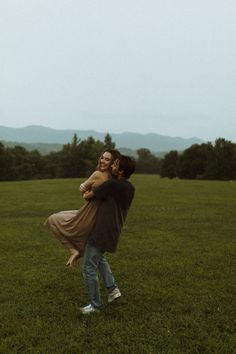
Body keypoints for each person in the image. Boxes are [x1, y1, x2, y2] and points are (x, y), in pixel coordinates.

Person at [44, 149, 121, 267]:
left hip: (89, 214)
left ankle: (73, 250)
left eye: (107, 159)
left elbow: (84, 193)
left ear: (112, 163)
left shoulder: (97, 175)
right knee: (98, 257)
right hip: (98, 218)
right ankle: (112, 285)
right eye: (102, 158)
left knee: (52, 219)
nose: (102, 161)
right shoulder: (115, 180)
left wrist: (83, 189)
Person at [80, 155, 136, 314]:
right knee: (99, 258)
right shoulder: (130, 187)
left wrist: (86, 187)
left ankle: (96, 305)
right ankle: (113, 290)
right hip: (114, 232)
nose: (111, 166)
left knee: (88, 267)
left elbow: (87, 195)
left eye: (115, 164)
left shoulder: (111, 184)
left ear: (121, 170)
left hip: (101, 232)